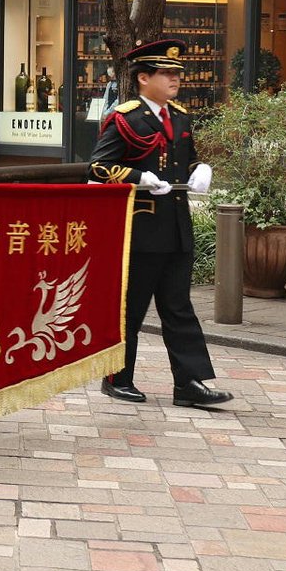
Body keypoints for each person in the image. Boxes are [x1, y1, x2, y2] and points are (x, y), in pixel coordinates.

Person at [89, 38, 232, 408]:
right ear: (143, 78)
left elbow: (187, 161)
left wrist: (201, 169)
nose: (175, 80)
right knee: (130, 307)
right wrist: (138, 177)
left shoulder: (181, 116)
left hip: (176, 227)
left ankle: (189, 383)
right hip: (139, 228)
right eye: (166, 73)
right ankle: (117, 377)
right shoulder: (125, 117)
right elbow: (99, 167)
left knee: (179, 306)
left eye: (176, 74)